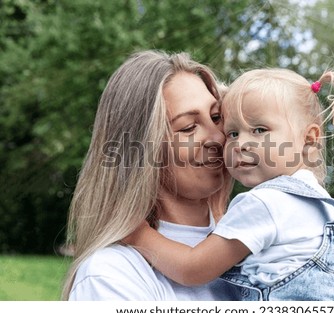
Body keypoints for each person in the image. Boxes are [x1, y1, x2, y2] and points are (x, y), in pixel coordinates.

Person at [125, 68, 334, 301]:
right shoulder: (318, 201)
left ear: (308, 138)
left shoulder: (265, 204)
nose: (240, 143)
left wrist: (139, 234)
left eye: (259, 129)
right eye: (233, 133)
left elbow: (193, 269)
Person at [62, 50, 246, 300]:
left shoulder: (255, 234)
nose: (217, 137)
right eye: (188, 127)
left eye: (216, 117)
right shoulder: (111, 275)